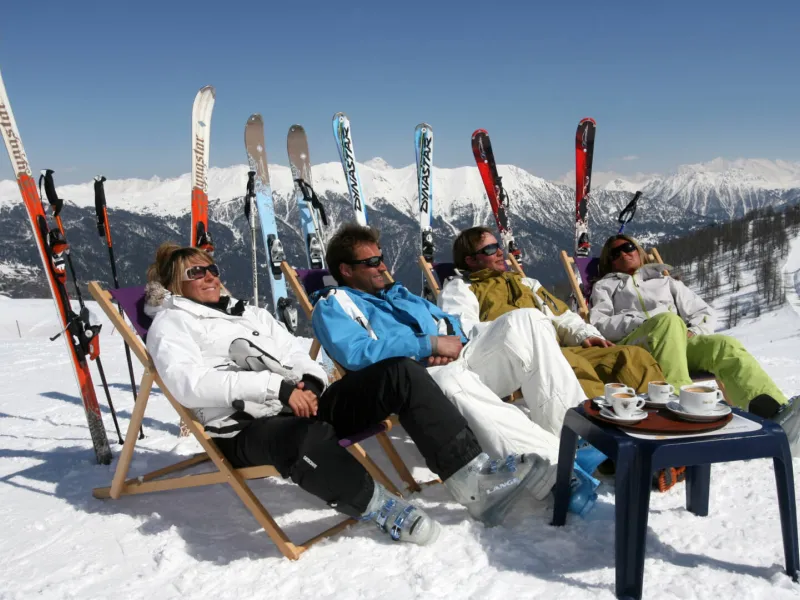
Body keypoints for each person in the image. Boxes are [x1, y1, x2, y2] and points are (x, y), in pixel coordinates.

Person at [144, 243, 540, 546]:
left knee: (401, 372)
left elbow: (297, 353)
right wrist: (276, 388)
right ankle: (380, 507)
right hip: (246, 429)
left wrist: (310, 383)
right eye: (196, 272)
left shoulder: (249, 313)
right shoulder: (172, 323)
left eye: (212, 268)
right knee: (305, 437)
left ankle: (472, 478)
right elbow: (188, 384)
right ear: (175, 284)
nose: (210, 277)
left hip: (300, 402)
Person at [311, 223, 577, 504]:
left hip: (460, 358)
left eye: (382, 258)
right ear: (346, 270)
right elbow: (356, 353)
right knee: (446, 377)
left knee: (528, 320)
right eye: (372, 262)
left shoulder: (398, 294)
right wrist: (428, 345)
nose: (383, 267)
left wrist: (451, 342)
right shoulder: (334, 305)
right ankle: (553, 467)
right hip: (420, 382)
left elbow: (448, 321)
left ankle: (575, 438)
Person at [590, 234, 799, 450]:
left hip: (676, 341)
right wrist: (646, 322)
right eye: (615, 253)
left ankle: (774, 415)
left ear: (638, 251)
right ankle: (678, 410)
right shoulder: (605, 286)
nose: (623, 254)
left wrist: (694, 331)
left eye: (627, 247)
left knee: (724, 346)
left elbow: (704, 312)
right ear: (610, 262)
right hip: (636, 347)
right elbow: (600, 324)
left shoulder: (665, 281)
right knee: (669, 320)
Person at [440, 226, 665, 401]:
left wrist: (585, 334)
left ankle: (661, 424)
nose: (500, 252)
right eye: (490, 249)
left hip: (562, 349)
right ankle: (602, 438)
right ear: (471, 260)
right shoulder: (460, 289)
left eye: (498, 246)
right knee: (574, 369)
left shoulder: (526, 282)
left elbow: (561, 314)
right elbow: (462, 330)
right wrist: (520, 330)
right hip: (524, 360)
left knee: (632, 356)